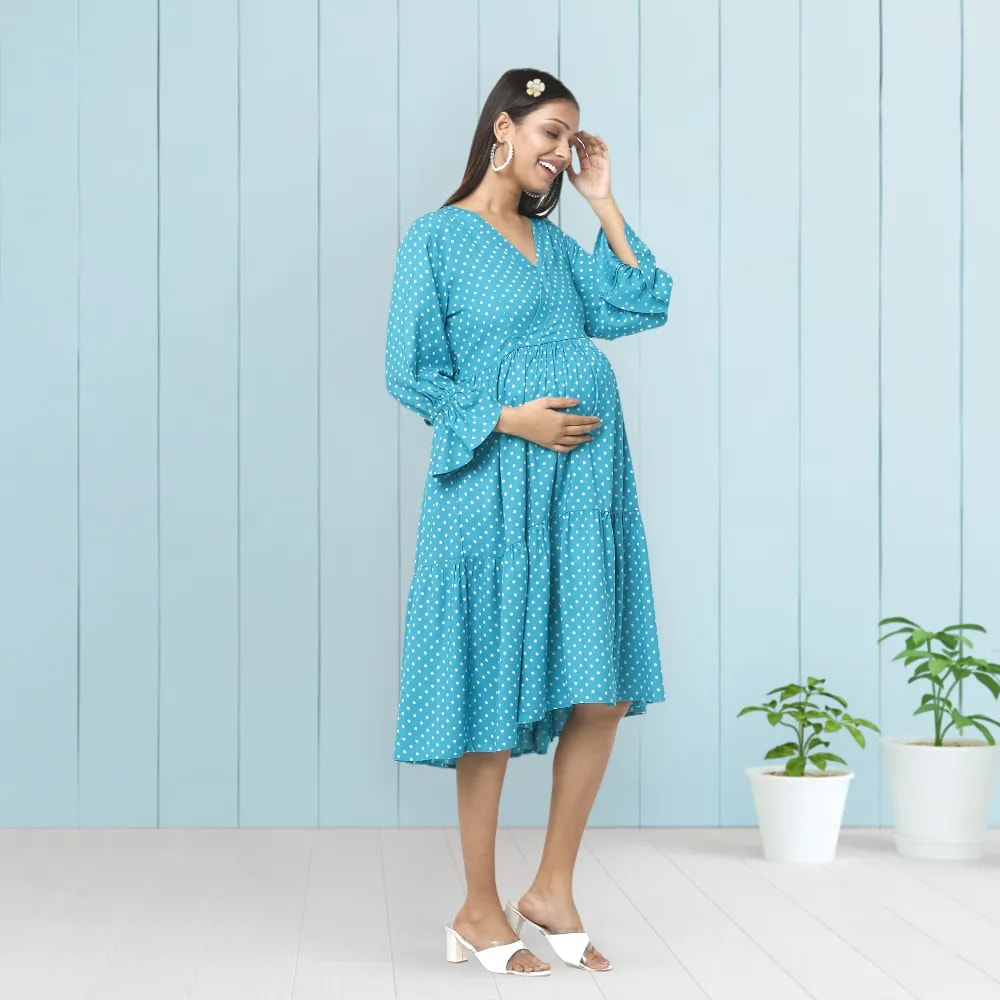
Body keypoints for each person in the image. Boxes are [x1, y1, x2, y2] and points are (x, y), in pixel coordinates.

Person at [384, 68, 673, 977]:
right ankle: (477, 908)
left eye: (571, 138)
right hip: (490, 485)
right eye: (551, 133)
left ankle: (551, 887)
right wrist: (511, 420)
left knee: (600, 685)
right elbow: (408, 371)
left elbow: (641, 301)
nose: (560, 152)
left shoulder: (555, 244)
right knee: (488, 683)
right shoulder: (436, 238)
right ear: (503, 129)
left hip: (584, 492)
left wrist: (603, 200)